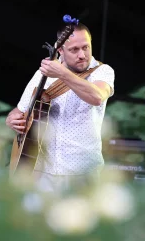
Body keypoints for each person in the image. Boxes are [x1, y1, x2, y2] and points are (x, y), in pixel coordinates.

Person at [6, 21, 115, 194]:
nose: (82, 54)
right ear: (60, 51)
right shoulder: (43, 73)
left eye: (86, 47)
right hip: (42, 173)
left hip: (82, 173)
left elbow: (97, 97)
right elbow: (20, 111)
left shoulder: (102, 71)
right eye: (74, 50)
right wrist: (12, 119)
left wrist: (62, 73)